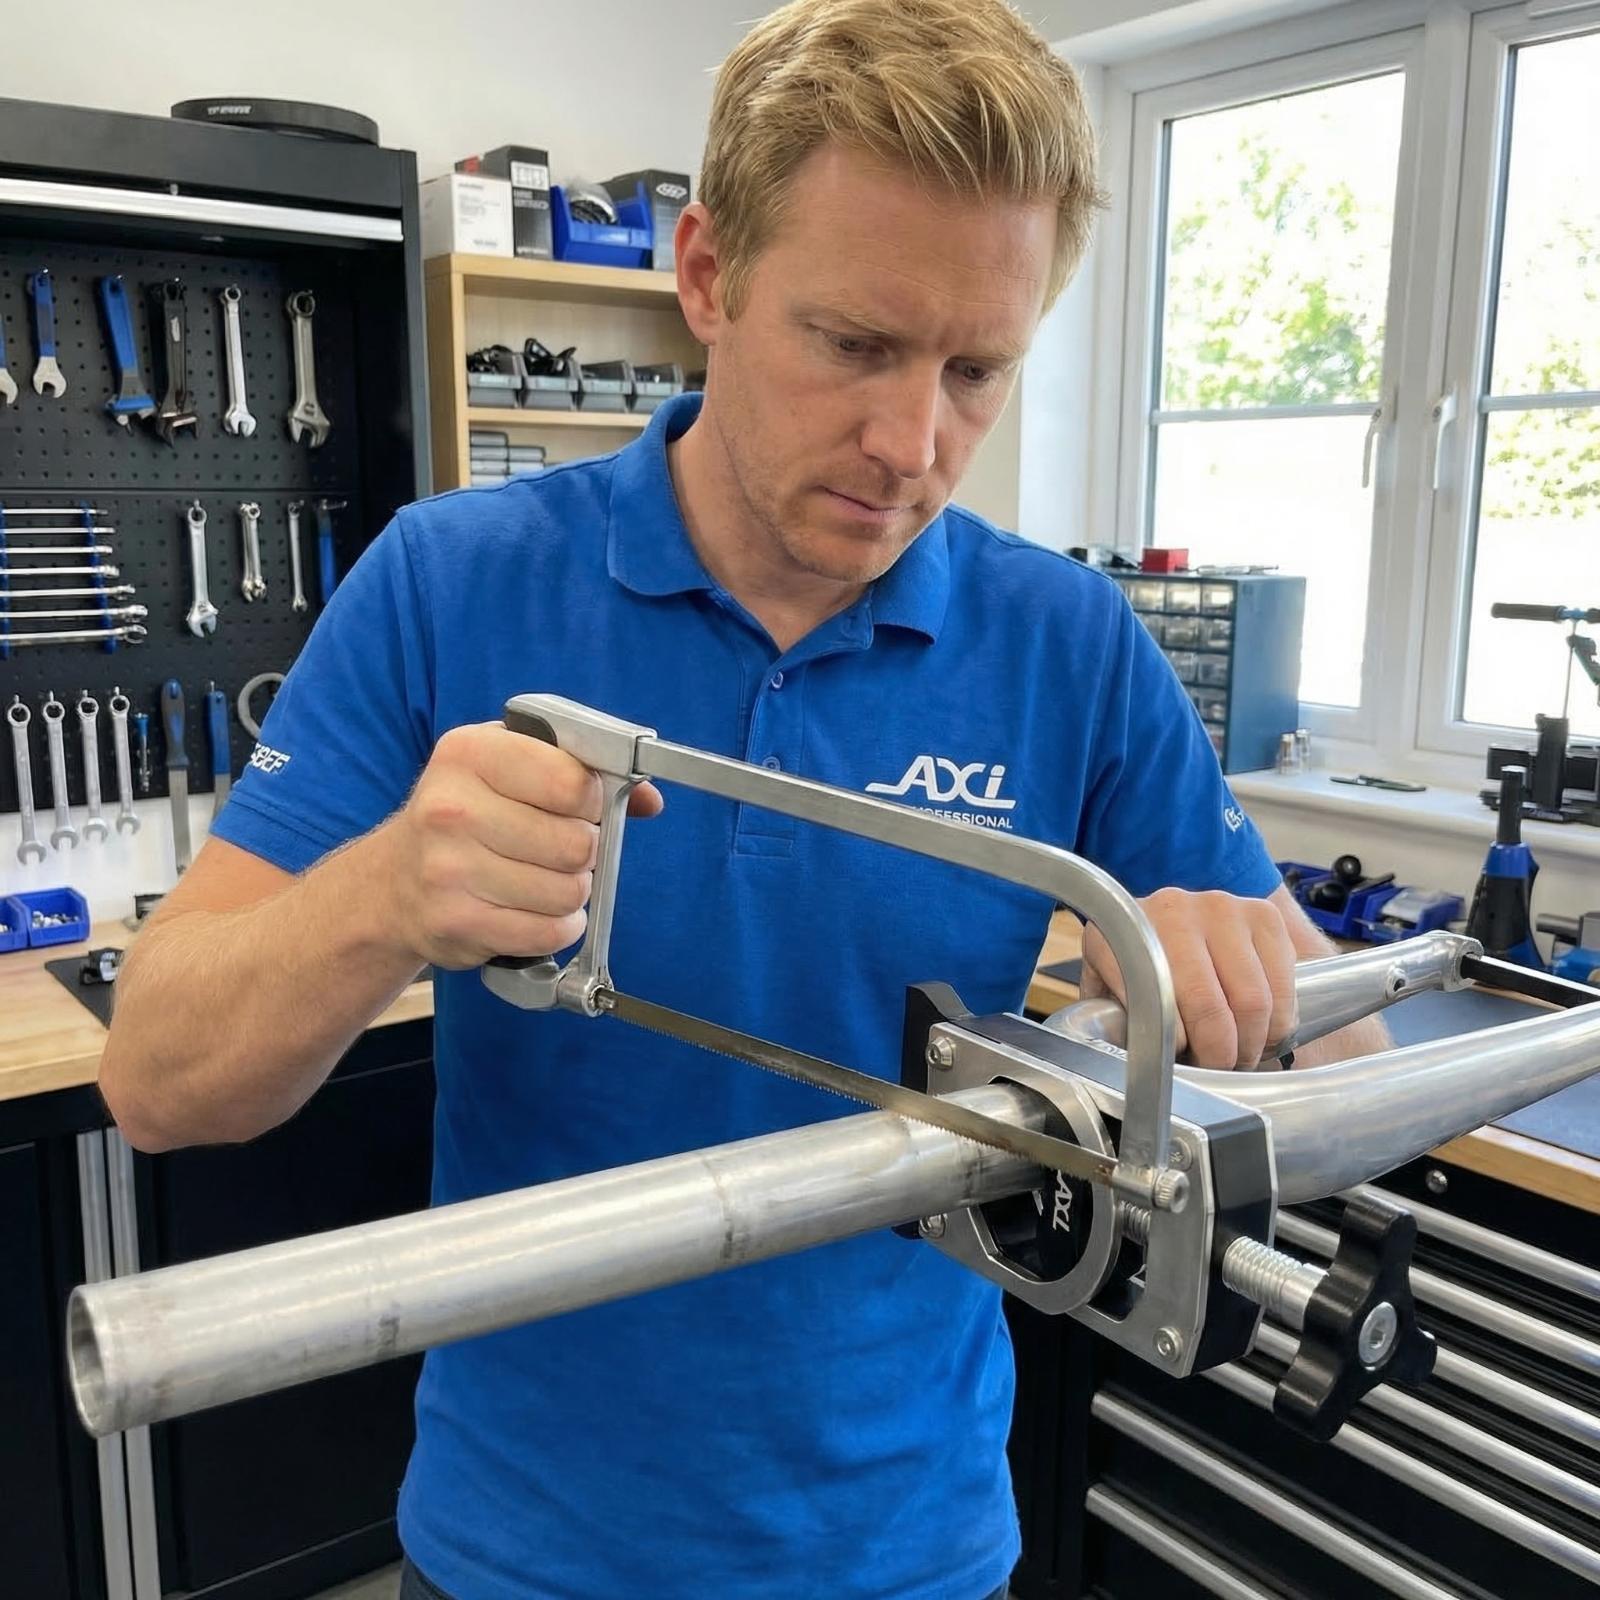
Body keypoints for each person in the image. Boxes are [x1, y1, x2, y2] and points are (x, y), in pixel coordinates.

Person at [100, 2, 1387, 1596]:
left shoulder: (1069, 642)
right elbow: (158, 1082)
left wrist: (1245, 992)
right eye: (853, 344)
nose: (912, 444)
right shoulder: (448, 581)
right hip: (523, 1559)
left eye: (976, 370)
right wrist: (379, 900)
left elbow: (1352, 1082)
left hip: (911, 1555)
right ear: (707, 276)